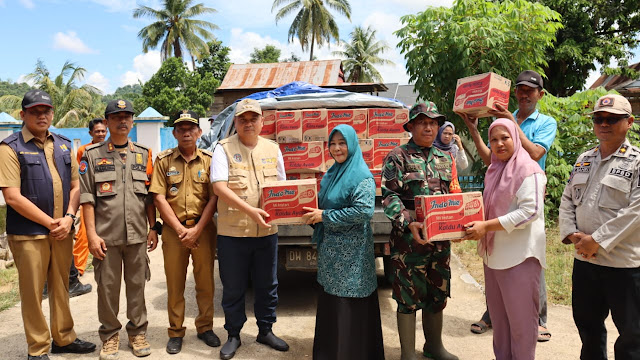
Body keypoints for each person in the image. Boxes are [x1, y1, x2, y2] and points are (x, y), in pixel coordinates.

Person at [461, 70, 557, 341]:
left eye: (531, 90)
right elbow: (491, 158)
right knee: (497, 258)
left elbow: (536, 153)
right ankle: (494, 313)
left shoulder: (545, 122)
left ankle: (536, 319)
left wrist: (509, 124)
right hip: (499, 194)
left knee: (527, 258)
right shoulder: (503, 117)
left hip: (527, 194)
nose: (524, 94)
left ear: (540, 94)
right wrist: (473, 128)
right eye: (520, 90)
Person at [0, 89, 96, 360]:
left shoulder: (65, 144)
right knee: (32, 293)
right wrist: (51, 223)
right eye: (35, 111)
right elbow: (12, 197)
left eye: (46, 111)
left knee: (61, 287)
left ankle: (64, 338)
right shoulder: (10, 147)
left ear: (53, 113)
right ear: (23, 114)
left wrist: (68, 218)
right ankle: (38, 347)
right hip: (29, 234)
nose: (42, 116)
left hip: (63, 230)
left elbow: (76, 186)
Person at [559, 94, 640, 360]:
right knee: (588, 328)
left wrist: (597, 240)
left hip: (623, 266)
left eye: (612, 119)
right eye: (598, 118)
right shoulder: (584, 158)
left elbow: (635, 211)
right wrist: (572, 234)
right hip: (585, 262)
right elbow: (568, 198)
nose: (604, 123)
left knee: (632, 335)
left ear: (629, 122)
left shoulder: (637, 161)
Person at [79, 99, 159, 360]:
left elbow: (149, 196)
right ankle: (110, 335)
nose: (122, 121)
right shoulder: (92, 156)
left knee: (137, 288)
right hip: (106, 238)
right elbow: (87, 198)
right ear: (107, 121)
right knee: (107, 290)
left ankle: (137, 333)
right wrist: (91, 235)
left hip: (137, 235)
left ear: (133, 121)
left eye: (127, 116)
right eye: (116, 117)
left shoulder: (144, 155)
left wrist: (152, 228)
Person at [210, 99, 289, 360]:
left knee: (268, 285)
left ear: (261, 121)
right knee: (233, 287)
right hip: (233, 233)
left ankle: (265, 330)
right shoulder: (222, 148)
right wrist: (250, 211)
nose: (248, 123)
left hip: (267, 232)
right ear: (235, 122)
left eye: (253, 118)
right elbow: (219, 187)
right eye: (243, 119)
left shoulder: (272, 148)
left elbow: (282, 186)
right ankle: (233, 335)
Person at [382, 101, 461, 360]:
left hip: (439, 243)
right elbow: (389, 196)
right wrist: (407, 222)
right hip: (408, 242)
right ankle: (408, 353)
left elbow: (452, 196)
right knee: (408, 296)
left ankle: (433, 346)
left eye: (433, 122)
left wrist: (459, 223)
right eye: (423, 122)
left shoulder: (445, 158)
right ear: (412, 126)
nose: (429, 127)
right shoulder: (398, 156)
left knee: (436, 293)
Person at [464, 118, 547, 360]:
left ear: (516, 138)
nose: (499, 144)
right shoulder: (494, 169)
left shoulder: (528, 170)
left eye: (505, 138)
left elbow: (530, 212)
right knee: (500, 323)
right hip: (494, 257)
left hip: (519, 258)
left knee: (521, 325)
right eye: (494, 139)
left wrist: (486, 227)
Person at [302, 124, 384, 360]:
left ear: (352, 145)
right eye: (333, 144)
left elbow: (364, 211)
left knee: (349, 303)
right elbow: (320, 205)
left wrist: (324, 216)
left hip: (353, 256)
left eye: (342, 143)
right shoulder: (331, 174)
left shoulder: (361, 176)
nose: (337, 148)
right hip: (331, 253)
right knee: (332, 304)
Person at [149, 110, 220, 354]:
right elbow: (158, 197)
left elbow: (214, 197)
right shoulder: (164, 160)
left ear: (199, 132)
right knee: (175, 283)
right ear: (175, 133)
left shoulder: (210, 160)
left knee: (205, 282)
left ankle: (205, 327)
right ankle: (176, 331)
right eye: (181, 129)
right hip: (173, 231)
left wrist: (198, 229)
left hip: (204, 230)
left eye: (191, 128)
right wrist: (181, 230)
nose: (187, 132)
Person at [73, 117, 107, 274]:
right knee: (84, 233)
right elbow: (80, 175)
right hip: (89, 197)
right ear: (90, 133)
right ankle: (78, 269)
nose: (101, 134)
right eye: (97, 131)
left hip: (107, 198)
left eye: (103, 131)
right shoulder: (84, 150)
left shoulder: (111, 148)